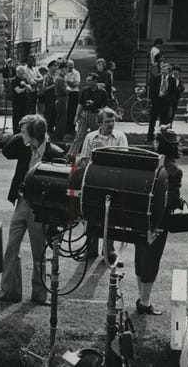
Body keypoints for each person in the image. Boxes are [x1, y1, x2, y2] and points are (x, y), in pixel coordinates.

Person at [0, 115, 65, 306]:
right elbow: (6, 150)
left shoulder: (55, 153)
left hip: (39, 210)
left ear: (34, 134)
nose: (21, 135)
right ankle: (9, 291)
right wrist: (24, 129)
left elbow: (61, 187)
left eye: (24, 132)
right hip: (20, 204)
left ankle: (39, 294)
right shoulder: (24, 148)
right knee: (11, 248)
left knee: (39, 253)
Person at [135, 126, 184, 316]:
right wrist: (179, 201)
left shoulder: (149, 163)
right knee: (152, 259)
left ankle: (141, 297)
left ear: (159, 144)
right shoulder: (174, 170)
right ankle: (145, 302)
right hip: (160, 221)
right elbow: (171, 200)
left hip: (142, 217)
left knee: (140, 256)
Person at [78, 108, 128, 264]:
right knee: (91, 214)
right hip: (94, 181)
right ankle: (91, 249)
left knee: (110, 217)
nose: (111, 124)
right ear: (100, 122)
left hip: (113, 182)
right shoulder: (90, 137)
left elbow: (125, 158)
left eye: (113, 121)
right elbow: (84, 158)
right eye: (107, 121)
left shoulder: (119, 137)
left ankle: (109, 251)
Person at [67, 73, 108, 156]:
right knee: (79, 136)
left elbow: (105, 105)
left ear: (95, 81)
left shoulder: (102, 91)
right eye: (87, 80)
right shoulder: (85, 90)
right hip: (85, 114)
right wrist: (77, 115)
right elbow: (81, 103)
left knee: (96, 137)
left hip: (96, 115)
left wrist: (102, 116)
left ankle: (94, 155)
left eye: (89, 80)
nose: (87, 82)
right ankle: (71, 155)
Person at [147, 63, 171, 141]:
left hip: (165, 103)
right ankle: (150, 137)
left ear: (168, 71)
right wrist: (152, 100)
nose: (163, 71)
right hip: (156, 102)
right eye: (162, 69)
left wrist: (169, 99)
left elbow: (173, 92)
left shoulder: (172, 80)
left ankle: (161, 137)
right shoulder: (157, 78)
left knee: (163, 121)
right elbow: (152, 90)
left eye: (165, 69)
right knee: (152, 120)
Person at [53, 61, 70, 141]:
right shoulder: (61, 79)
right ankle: (60, 137)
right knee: (62, 118)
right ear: (63, 69)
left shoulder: (61, 78)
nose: (67, 70)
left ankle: (59, 135)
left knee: (60, 118)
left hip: (60, 99)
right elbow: (64, 91)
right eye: (66, 69)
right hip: (61, 99)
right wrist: (68, 89)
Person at [11, 66, 30, 134]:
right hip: (17, 103)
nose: (24, 73)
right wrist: (25, 88)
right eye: (22, 71)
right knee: (17, 117)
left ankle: (22, 131)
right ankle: (16, 132)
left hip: (24, 101)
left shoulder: (24, 79)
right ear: (18, 72)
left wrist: (25, 84)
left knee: (23, 117)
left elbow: (30, 88)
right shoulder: (14, 80)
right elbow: (18, 91)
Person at [41, 60, 58, 133]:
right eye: (55, 66)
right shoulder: (46, 76)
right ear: (50, 67)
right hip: (48, 97)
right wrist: (53, 86)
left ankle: (51, 128)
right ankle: (46, 129)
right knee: (48, 113)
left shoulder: (55, 76)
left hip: (55, 97)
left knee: (54, 113)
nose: (56, 68)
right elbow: (44, 89)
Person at [65, 60, 80, 135]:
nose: (71, 67)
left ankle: (72, 128)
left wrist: (67, 82)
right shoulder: (64, 73)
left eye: (72, 65)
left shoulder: (76, 73)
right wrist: (71, 82)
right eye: (69, 65)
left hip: (74, 93)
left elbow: (76, 84)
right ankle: (66, 128)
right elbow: (62, 83)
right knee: (66, 111)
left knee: (73, 111)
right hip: (65, 94)